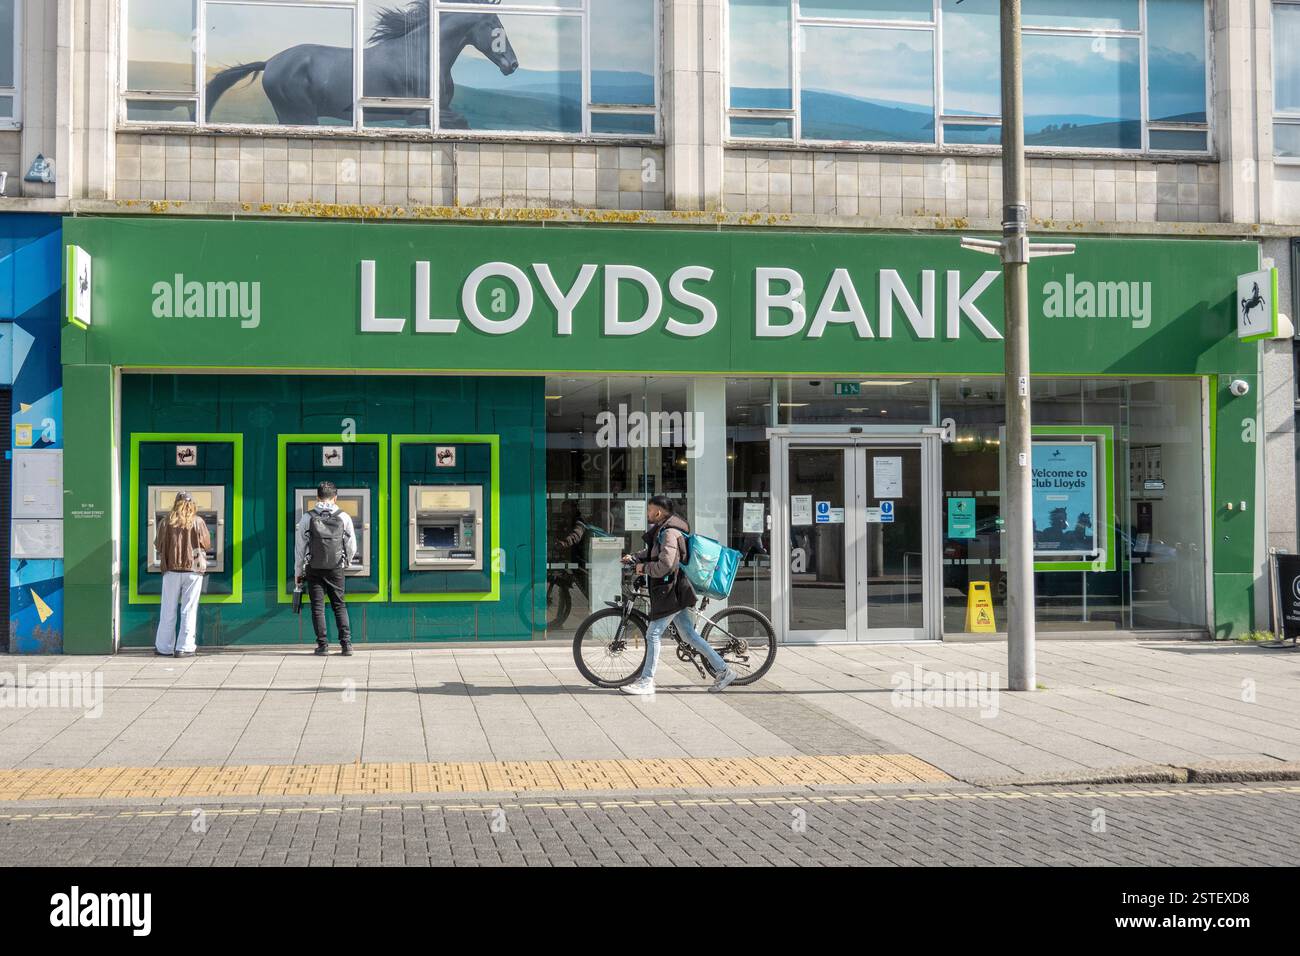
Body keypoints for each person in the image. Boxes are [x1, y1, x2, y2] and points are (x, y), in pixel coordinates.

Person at [620, 495, 736, 696]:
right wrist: (636, 557)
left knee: (653, 633)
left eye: (649, 510)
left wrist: (641, 568)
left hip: (671, 590)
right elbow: (654, 552)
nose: (647, 514)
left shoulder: (670, 532)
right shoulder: (664, 530)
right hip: (674, 589)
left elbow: (665, 564)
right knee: (689, 635)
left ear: (658, 512)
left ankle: (647, 681)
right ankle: (724, 671)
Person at [294, 481, 358, 656]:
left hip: (314, 567)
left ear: (317, 497)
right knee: (339, 605)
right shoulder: (344, 516)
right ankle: (346, 645)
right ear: (335, 497)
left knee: (318, 607)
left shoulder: (307, 518)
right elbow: (351, 545)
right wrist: (347, 562)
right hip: (335, 567)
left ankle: (322, 646)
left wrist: (298, 572)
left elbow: (300, 549)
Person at [154, 491, 212, 658]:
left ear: (175, 504)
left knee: (168, 609)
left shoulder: (165, 522)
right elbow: (207, 544)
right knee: (189, 609)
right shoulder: (198, 521)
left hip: (171, 570)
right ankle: (184, 647)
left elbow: (158, 545)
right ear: (192, 504)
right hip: (193, 570)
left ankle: (164, 647)